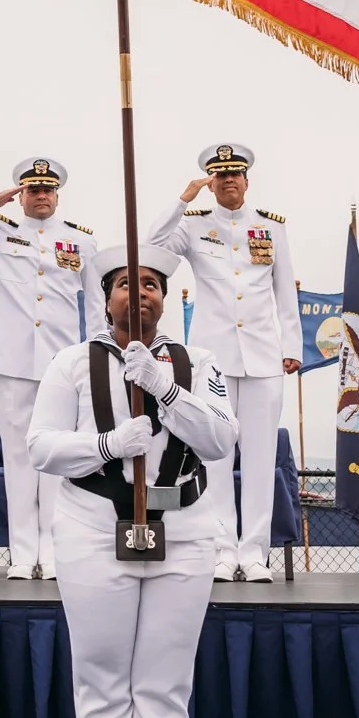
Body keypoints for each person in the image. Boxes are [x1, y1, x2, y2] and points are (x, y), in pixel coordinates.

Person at [28, 244, 234, 718]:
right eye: (125, 284)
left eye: (150, 284)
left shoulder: (199, 363)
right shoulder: (70, 363)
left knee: (164, 691)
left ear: (166, 299)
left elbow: (221, 440)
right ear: (106, 297)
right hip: (94, 526)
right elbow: (40, 446)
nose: (137, 293)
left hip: (184, 529)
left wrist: (164, 390)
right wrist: (106, 446)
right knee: (102, 688)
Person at [0, 158, 98, 580]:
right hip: (10, 359)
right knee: (20, 457)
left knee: (57, 457)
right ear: (20, 194)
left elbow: (96, 302)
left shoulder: (80, 241)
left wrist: (98, 353)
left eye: (47, 189)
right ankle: (24, 554)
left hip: (61, 362)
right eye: (32, 189)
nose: (40, 195)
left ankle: (55, 549)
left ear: (57, 195)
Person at [148, 142, 300, 582]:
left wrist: (291, 345)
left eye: (235, 174)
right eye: (220, 175)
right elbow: (152, 246)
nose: (228, 180)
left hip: (264, 357)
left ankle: (253, 553)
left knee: (259, 457)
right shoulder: (193, 227)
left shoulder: (271, 228)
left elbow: (283, 291)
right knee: (213, 456)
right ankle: (220, 549)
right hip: (212, 359)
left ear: (247, 181)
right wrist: (183, 199)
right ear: (211, 182)